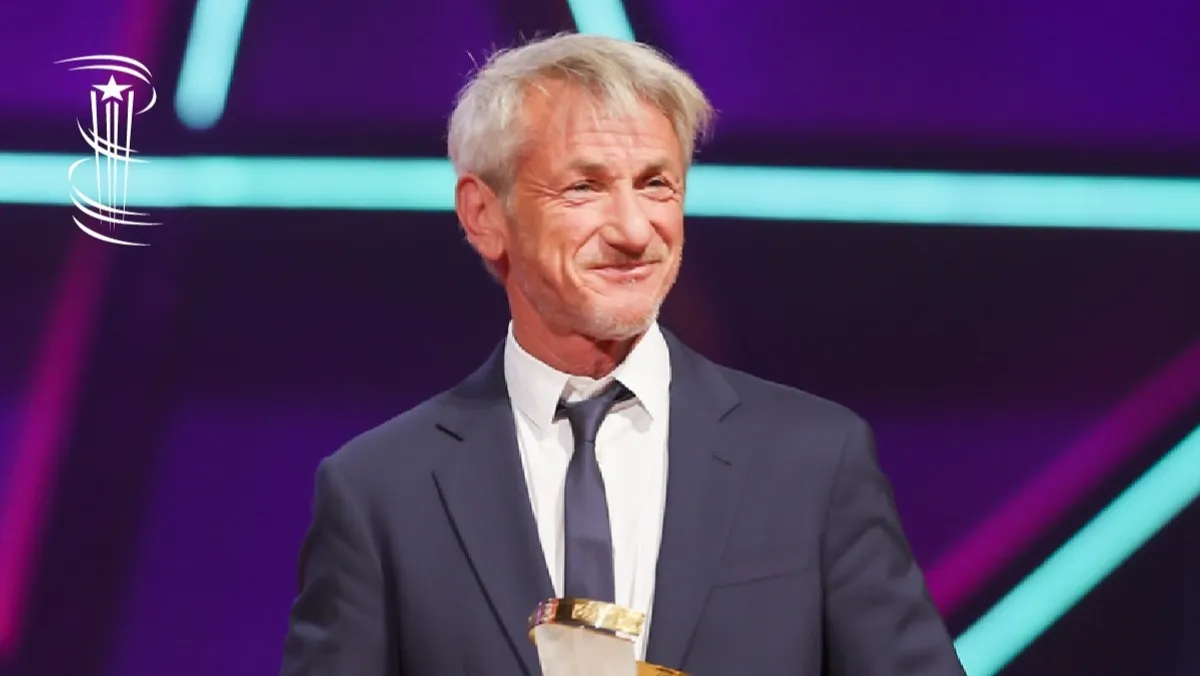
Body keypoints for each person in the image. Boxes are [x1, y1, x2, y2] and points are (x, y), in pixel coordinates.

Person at [278, 32, 966, 676]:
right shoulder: (380, 492)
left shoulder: (813, 460)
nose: (635, 231)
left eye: (656, 184)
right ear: (484, 215)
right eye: (585, 187)